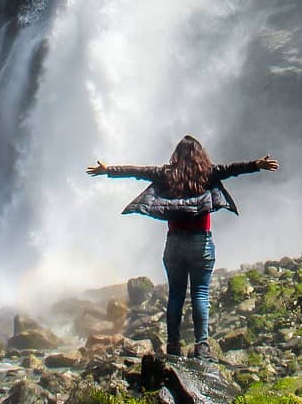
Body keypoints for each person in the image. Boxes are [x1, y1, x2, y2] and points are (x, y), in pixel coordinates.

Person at [87, 135, 278, 360]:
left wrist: (109, 169)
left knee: (176, 295)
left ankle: (173, 345)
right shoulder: (207, 173)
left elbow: (138, 171)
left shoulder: (167, 175)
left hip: (174, 242)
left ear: (176, 155)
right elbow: (233, 169)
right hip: (201, 242)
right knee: (200, 293)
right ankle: (202, 346)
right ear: (200, 156)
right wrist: (258, 165)